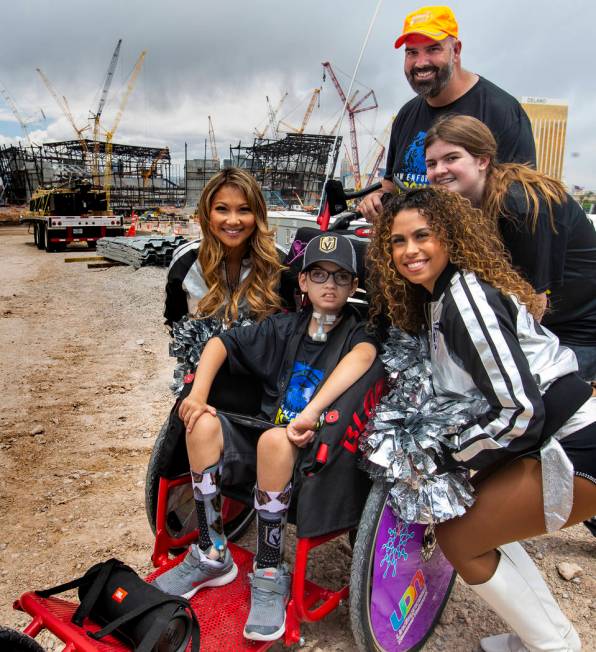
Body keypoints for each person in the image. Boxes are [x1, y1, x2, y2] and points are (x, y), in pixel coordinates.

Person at [367, 186, 595, 652]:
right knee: (480, 521)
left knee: (460, 539)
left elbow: (521, 412)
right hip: (555, 439)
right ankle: (547, 637)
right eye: (397, 241)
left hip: (576, 445)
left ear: (450, 236)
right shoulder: (439, 297)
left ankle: (555, 648)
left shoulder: (466, 299)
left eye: (423, 235)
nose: (410, 251)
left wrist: (448, 456)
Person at [153, 234, 378, 642]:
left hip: (315, 446)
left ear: (354, 286)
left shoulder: (355, 335)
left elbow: (363, 360)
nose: (330, 284)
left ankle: (270, 569)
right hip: (265, 435)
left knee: (276, 439)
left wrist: (309, 414)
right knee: (202, 423)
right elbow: (221, 343)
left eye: (341, 277)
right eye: (319, 274)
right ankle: (212, 551)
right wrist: (199, 395)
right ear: (303, 283)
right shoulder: (284, 328)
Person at [424, 114, 596, 381]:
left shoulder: (520, 204)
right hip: (550, 323)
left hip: (576, 330)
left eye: (451, 158)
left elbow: (534, 301)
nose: (439, 171)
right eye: (431, 163)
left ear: (482, 160)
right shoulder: (470, 203)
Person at [359, 5, 535, 220]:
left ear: (456, 51)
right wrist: (377, 199)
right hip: (416, 249)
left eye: (433, 49)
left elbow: (521, 202)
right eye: (412, 52)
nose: (421, 62)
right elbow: (391, 185)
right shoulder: (406, 114)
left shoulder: (502, 111)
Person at [164, 167, 282, 330]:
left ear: (258, 215)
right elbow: (175, 321)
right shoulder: (185, 261)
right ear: (207, 213)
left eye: (244, 209)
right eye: (222, 209)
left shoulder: (279, 259)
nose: (233, 221)